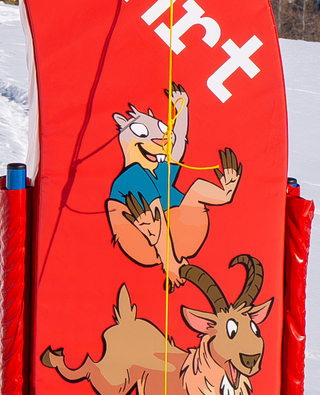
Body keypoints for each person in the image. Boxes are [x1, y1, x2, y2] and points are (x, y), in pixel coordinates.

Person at [103, 89, 240, 277]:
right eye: (142, 132)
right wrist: (170, 262)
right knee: (196, 189)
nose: (160, 140)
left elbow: (177, 149)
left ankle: (225, 193)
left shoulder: (156, 173)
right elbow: (157, 216)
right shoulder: (133, 176)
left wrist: (182, 110)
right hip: (153, 242)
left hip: (179, 233)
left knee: (197, 189)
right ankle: (225, 195)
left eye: (162, 131)